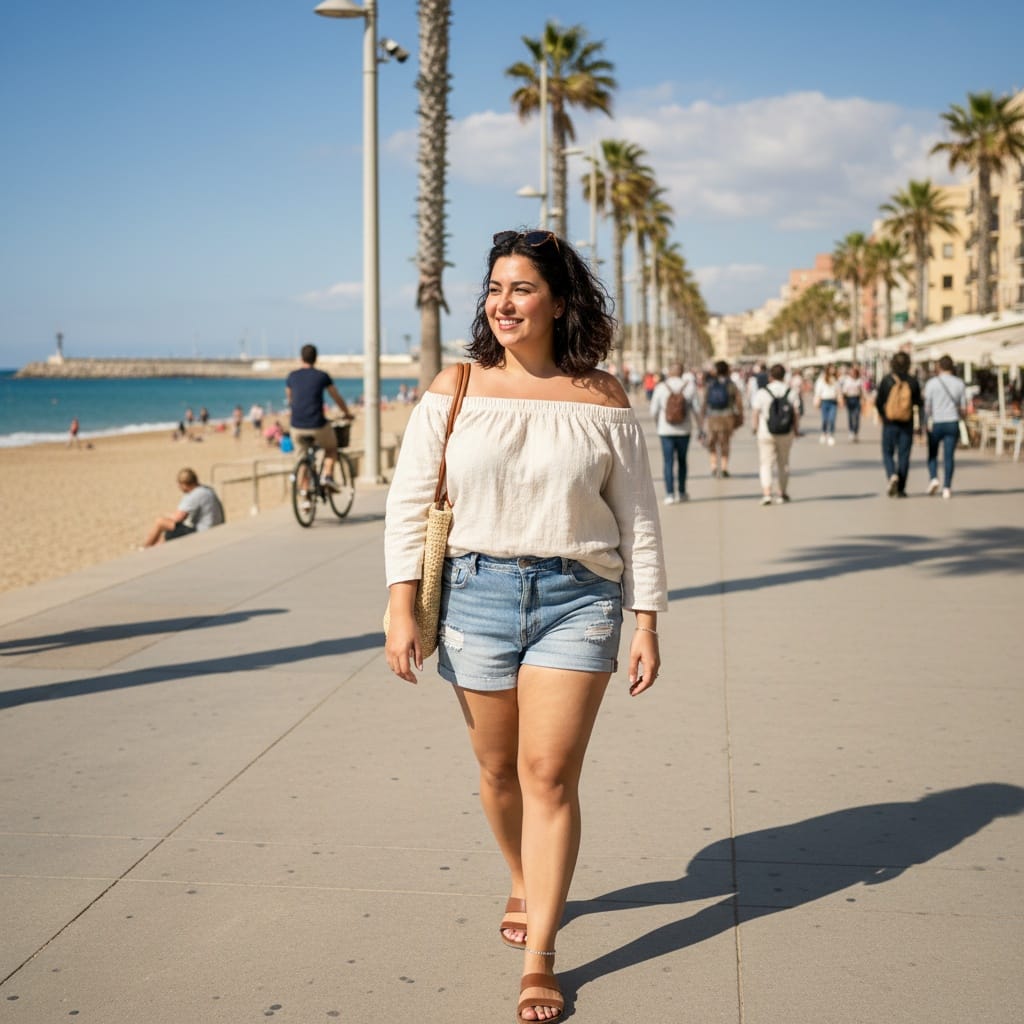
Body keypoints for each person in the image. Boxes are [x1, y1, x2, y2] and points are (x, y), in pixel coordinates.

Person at [384, 229, 667, 1024]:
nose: (503, 303)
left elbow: (637, 516)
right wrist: (401, 602)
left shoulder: (603, 396)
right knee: (498, 771)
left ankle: (542, 953)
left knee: (549, 775)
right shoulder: (457, 386)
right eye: (495, 289)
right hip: (474, 590)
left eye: (522, 289)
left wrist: (647, 618)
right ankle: (521, 873)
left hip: (579, 595)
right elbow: (410, 502)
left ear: (559, 302)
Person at [285, 344, 353, 492]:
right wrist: (347, 413)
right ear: (316, 358)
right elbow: (336, 397)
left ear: (301, 358)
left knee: (301, 458)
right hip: (317, 424)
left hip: (296, 425)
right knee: (331, 448)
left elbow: (290, 398)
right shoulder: (322, 376)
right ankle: (327, 476)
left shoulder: (292, 376)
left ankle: (304, 496)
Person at [650, 361, 701, 503]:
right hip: (684, 430)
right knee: (682, 461)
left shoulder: (661, 387)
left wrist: (658, 424)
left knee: (668, 461)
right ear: (682, 372)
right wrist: (701, 428)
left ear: (670, 372)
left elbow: (653, 410)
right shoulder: (690, 387)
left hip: (665, 431)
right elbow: (696, 409)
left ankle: (669, 494)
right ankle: (682, 492)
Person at [875, 350, 923, 498]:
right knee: (904, 455)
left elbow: (879, 401)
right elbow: (918, 403)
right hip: (906, 423)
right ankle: (901, 488)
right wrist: (919, 424)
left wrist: (884, 415)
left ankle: (892, 475)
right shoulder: (912, 381)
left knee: (887, 452)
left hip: (890, 423)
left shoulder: (887, 380)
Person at [751, 363, 800, 505]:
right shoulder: (791, 392)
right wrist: (796, 430)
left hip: (765, 432)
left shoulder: (762, 392)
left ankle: (767, 494)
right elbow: (796, 413)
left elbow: (755, 412)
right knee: (783, 463)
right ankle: (782, 493)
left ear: (770, 376)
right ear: (784, 376)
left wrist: (754, 428)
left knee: (766, 463)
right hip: (786, 433)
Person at [142, 468, 224, 547]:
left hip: (203, 531)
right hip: (216, 527)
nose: (179, 487)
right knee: (170, 533)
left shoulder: (194, 495)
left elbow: (177, 518)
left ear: (184, 484)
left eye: (179, 484)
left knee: (160, 522)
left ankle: (145, 548)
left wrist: (166, 515)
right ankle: (155, 548)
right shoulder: (207, 489)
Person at [923, 355, 967, 499]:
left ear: (939, 367)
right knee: (949, 456)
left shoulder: (932, 383)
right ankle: (947, 487)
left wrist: (926, 421)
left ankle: (934, 478)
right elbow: (964, 406)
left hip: (936, 422)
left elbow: (927, 406)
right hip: (952, 422)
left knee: (933, 454)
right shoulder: (959, 383)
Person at [704, 360, 742, 478]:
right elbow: (738, 401)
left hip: (713, 416)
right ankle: (724, 467)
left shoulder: (710, 384)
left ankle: (714, 466)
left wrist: (702, 417)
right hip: (727, 416)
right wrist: (740, 415)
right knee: (725, 442)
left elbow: (705, 402)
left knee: (712, 441)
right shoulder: (731, 384)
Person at [813, 365, 840, 445]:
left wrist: (840, 399)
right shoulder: (821, 380)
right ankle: (824, 432)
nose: (833, 371)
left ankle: (831, 435)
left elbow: (838, 391)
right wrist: (817, 401)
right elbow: (818, 391)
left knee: (832, 419)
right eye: (831, 369)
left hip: (833, 402)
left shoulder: (835, 380)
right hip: (824, 401)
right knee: (825, 419)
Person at [839, 365, 865, 441]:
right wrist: (843, 400)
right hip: (849, 399)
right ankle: (851, 431)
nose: (852, 374)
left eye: (854, 373)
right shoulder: (847, 380)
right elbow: (844, 391)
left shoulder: (859, 380)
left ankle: (856, 432)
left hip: (857, 399)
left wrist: (863, 399)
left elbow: (862, 391)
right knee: (850, 416)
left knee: (856, 416)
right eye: (851, 373)